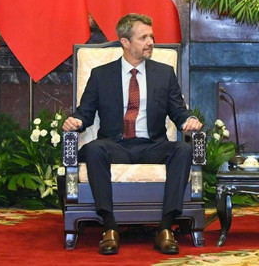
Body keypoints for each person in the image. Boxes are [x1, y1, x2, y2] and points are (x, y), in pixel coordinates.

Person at [62, 13, 202, 255]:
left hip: (152, 145)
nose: (150, 42)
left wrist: (188, 120)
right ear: (125, 42)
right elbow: (85, 112)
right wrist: (75, 121)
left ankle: (165, 228)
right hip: (115, 144)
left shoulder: (164, 73)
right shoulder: (101, 75)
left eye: (151, 36)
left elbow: (178, 111)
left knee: (183, 149)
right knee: (94, 149)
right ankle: (109, 227)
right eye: (143, 37)